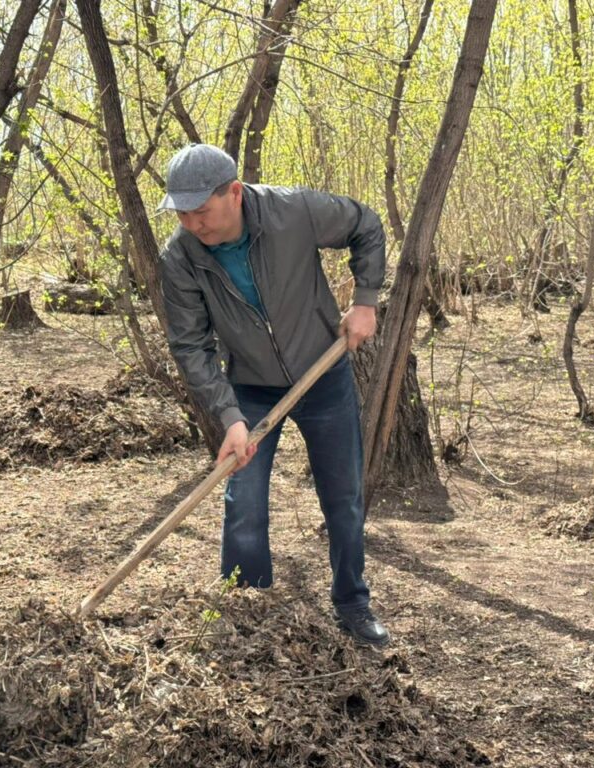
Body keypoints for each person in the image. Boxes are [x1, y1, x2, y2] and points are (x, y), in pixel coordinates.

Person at [158, 144, 389, 647]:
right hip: (251, 389)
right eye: (182, 213)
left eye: (201, 210)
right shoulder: (180, 259)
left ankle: (352, 602)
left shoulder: (293, 211)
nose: (193, 224)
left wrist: (366, 300)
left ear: (234, 193)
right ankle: (248, 610)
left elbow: (366, 225)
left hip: (322, 374)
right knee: (244, 500)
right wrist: (229, 416)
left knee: (343, 496)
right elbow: (191, 346)